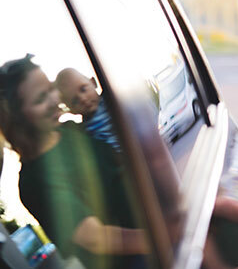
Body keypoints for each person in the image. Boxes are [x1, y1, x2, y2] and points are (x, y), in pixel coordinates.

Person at [0, 55, 148, 268]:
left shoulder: (72, 130)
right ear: (19, 118)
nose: (54, 100)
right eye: (41, 99)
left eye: (51, 89)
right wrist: (161, 236)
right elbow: (95, 238)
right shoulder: (34, 181)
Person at [55, 67, 121, 152]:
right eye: (75, 101)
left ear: (94, 82)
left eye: (83, 89)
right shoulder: (82, 132)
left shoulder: (112, 101)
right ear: (71, 110)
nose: (83, 99)